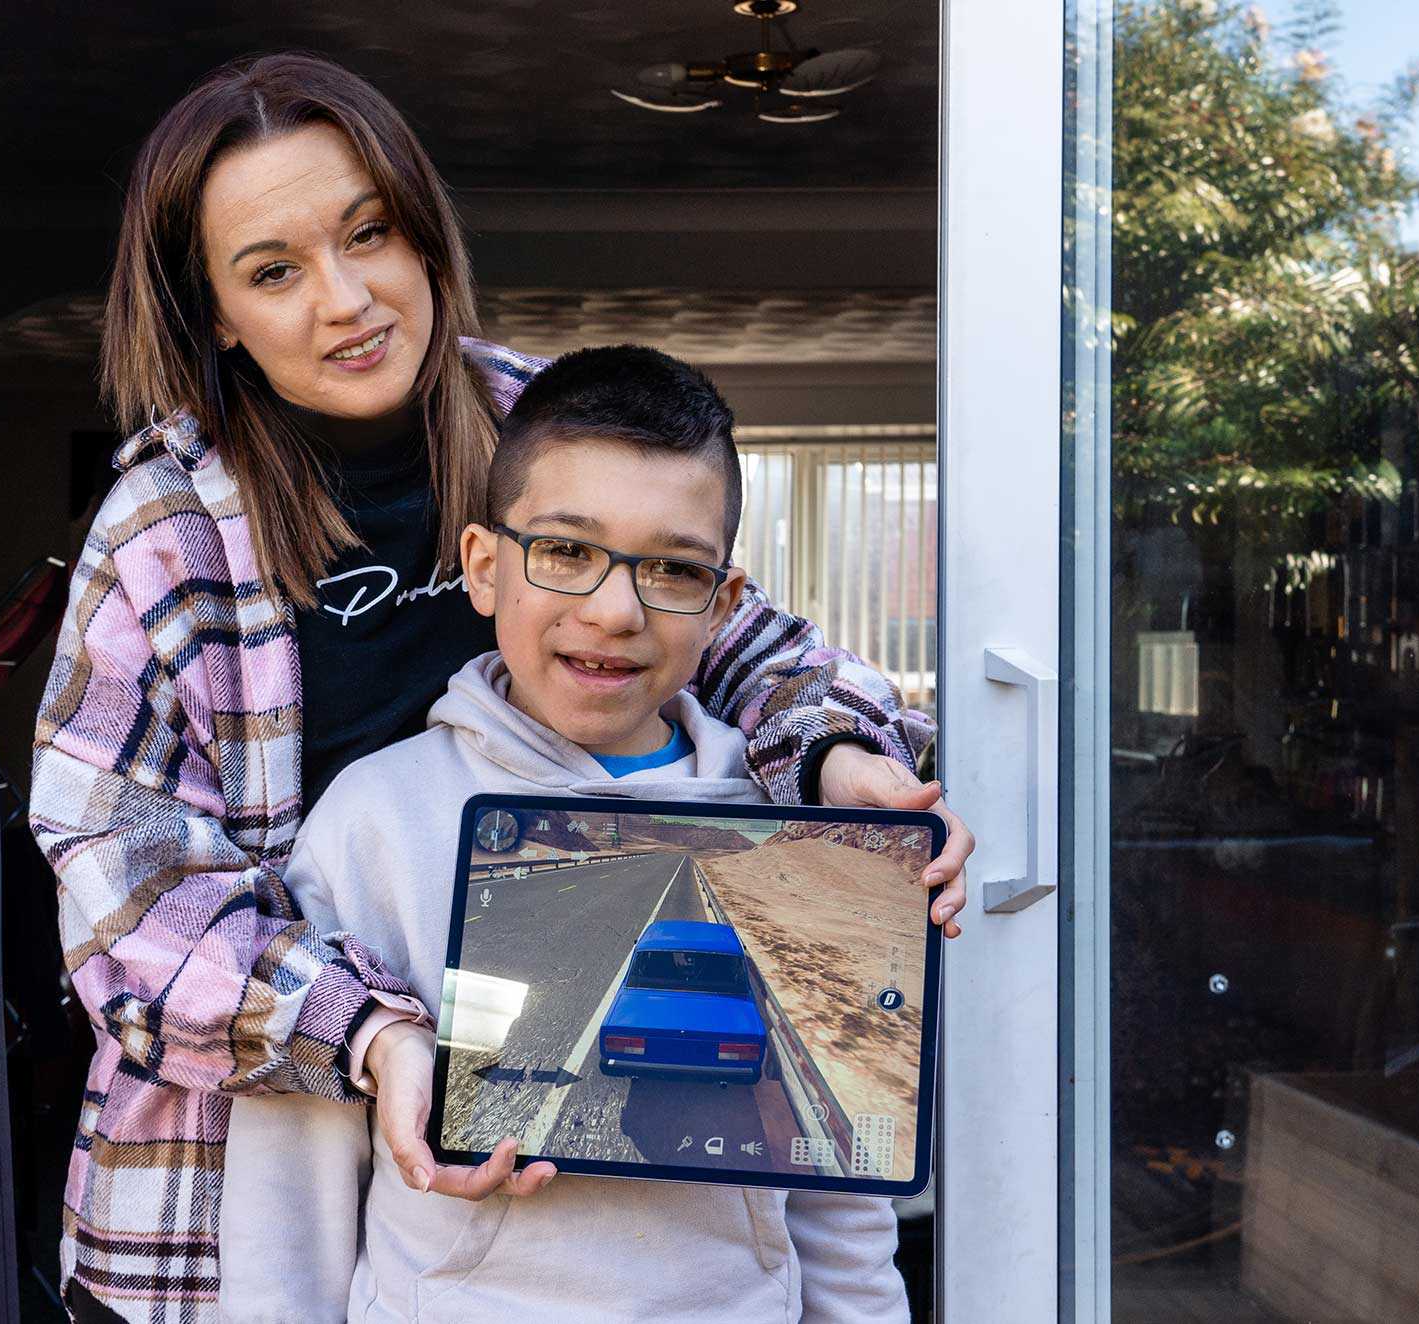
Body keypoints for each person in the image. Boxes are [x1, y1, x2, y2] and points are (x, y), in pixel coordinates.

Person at [30, 52, 968, 1323]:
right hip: (234, 1179)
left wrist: (837, 770)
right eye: (273, 270)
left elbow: (728, 631)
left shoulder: (528, 417)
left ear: (423, 234)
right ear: (213, 315)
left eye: (370, 234)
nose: (347, 299)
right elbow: (117, 875)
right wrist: (372, 1037)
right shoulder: (165, 526)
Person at [217, 346, 909, 1323]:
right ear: (484, 568)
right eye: (567, 551)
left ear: (721, 603)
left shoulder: (791, 836)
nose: (614, 609)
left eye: (672, 567)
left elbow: (841, 1194)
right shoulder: (372, 818)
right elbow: (291, 1183)